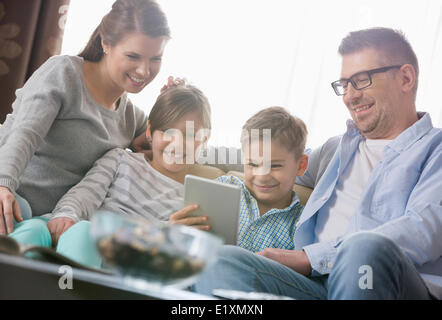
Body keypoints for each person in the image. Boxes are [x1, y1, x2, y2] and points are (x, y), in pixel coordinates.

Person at [192, 27, 442, 300]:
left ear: (405, 78)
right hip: (316, 288)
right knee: (224, 260)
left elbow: (423, 230)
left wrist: (311, 258)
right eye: (344, 84)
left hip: (388, 286)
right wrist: (179, 146)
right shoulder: (337, 148)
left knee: (364, 248)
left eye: (361, 80)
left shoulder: (435, 150)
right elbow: (273, 158)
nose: (350, 96)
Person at [0, 0, 175, 241]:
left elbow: (167, 147)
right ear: (106, 43)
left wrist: (173, 104)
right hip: (3, 191)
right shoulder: (64, 73)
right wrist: (1, 184)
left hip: (42, 223)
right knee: (16, 214)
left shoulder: (132, 118)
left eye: (155, 59)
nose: (144, 70)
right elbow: (24, 134)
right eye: (133, 56)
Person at [42, 84, 212, 268]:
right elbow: (84, 195)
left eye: (189, 135)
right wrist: (66, 215)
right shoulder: (120, 159)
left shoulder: (195, 200)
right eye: (167, 131)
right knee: (38, 229)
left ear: (204, 141)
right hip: (88, 243)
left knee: (83, 231)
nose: (177, 143)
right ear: (150, 131)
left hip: (133, 261)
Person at [215, 107, 308, 252]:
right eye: (252, 164)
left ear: (300, 165)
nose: (262, 176)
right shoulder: (223, 188)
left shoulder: (301, 225)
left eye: (275, 166)